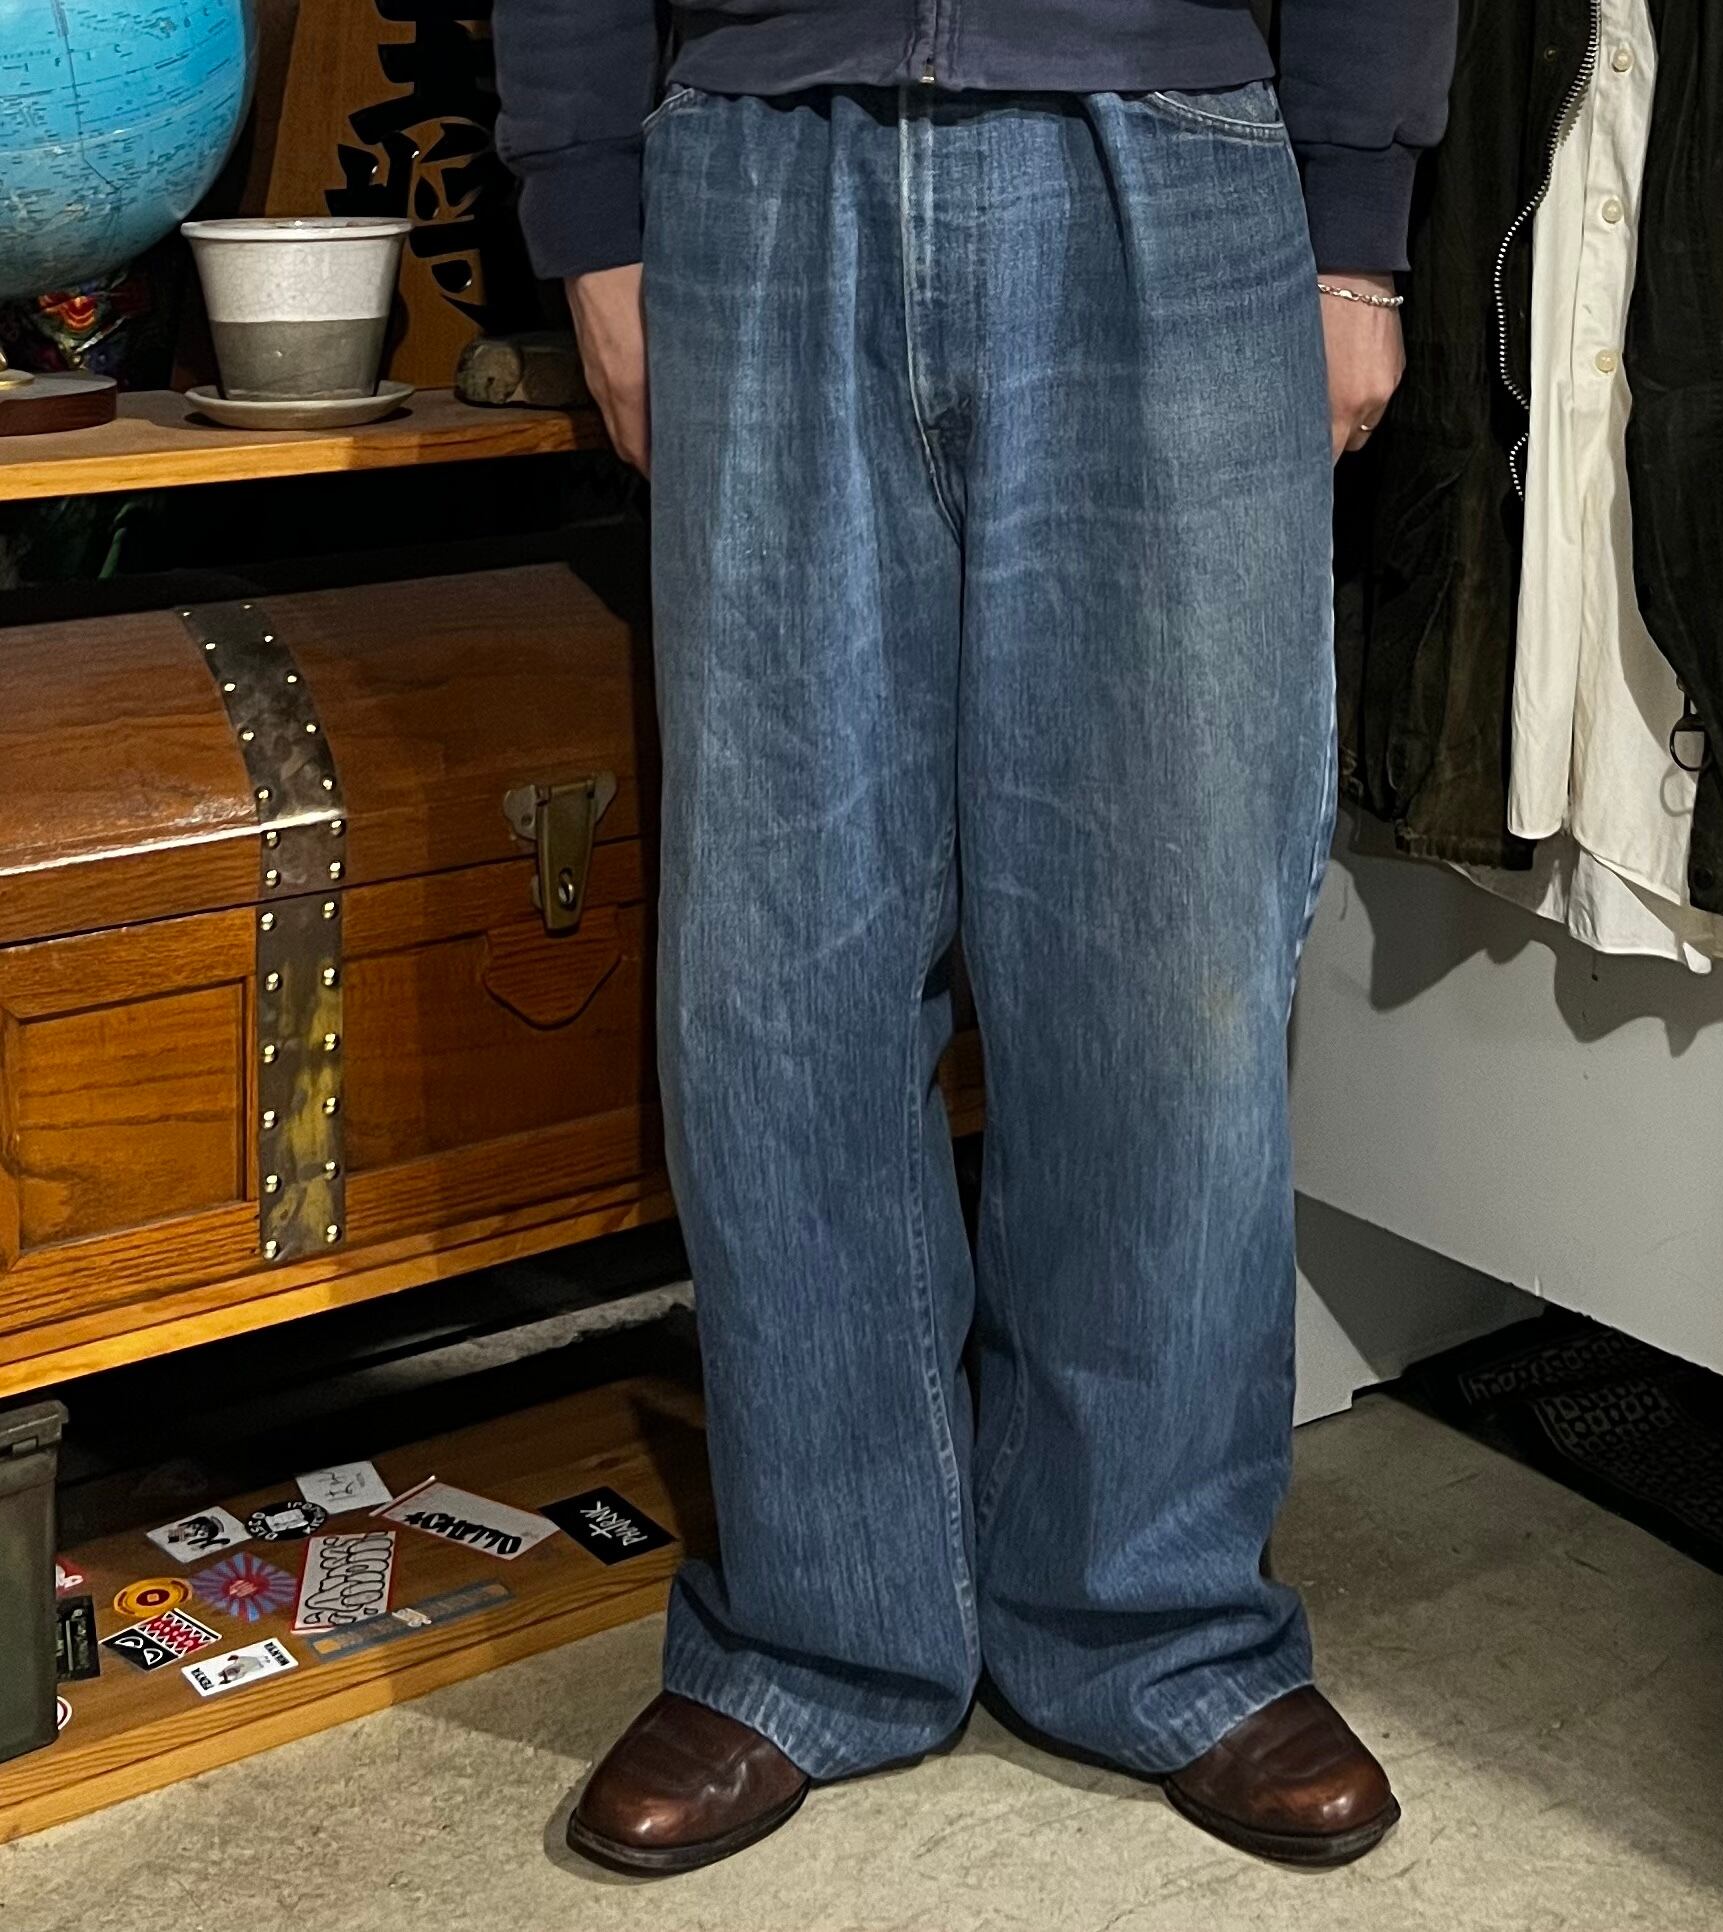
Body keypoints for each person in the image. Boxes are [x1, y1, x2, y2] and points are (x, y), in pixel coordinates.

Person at [494, 0, 1454, 1879]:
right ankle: (819, 1632)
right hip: (764, 158)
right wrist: (589, 212)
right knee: (781, 960)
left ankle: (1157, 1616)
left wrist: (1357, 225)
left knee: (1167, 950)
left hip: (1172, 150)